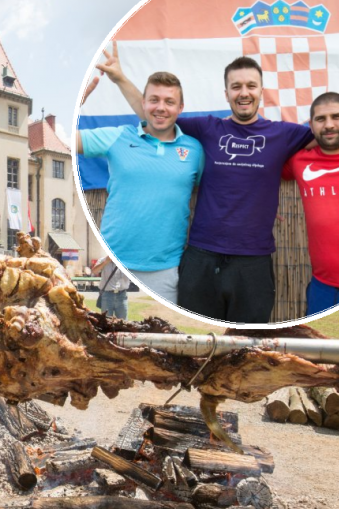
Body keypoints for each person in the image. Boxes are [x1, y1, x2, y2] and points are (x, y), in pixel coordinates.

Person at [90, 44, 314, 323]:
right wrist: (120, 78)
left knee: (248, 345)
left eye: (251, 86)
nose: (243, 92)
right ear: (226, 93)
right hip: (201, 258)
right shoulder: (206, 129)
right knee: (192, 339)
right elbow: (157, 116)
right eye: (236, 86)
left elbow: (329, 139)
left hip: (253, 261)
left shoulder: (284, 134)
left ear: (260, 91)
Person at [77, 71, 204, 305]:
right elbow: (63, 141)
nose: (161, 108)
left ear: (180, 107)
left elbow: (218, 187)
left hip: (164, 268)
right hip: (115, 263)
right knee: (112, 338)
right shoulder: (118, 136)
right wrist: (78, 102)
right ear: (143, 103)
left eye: (169, 101)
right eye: (154, 100)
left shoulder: (195, 150)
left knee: (163, 338)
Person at [282, 92, 339, 316]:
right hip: (322, 285)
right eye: (321, 119)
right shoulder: (299, 161)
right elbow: (262, 169)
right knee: (319, 348)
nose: (329, 125)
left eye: (336, 116)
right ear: (311, 125)